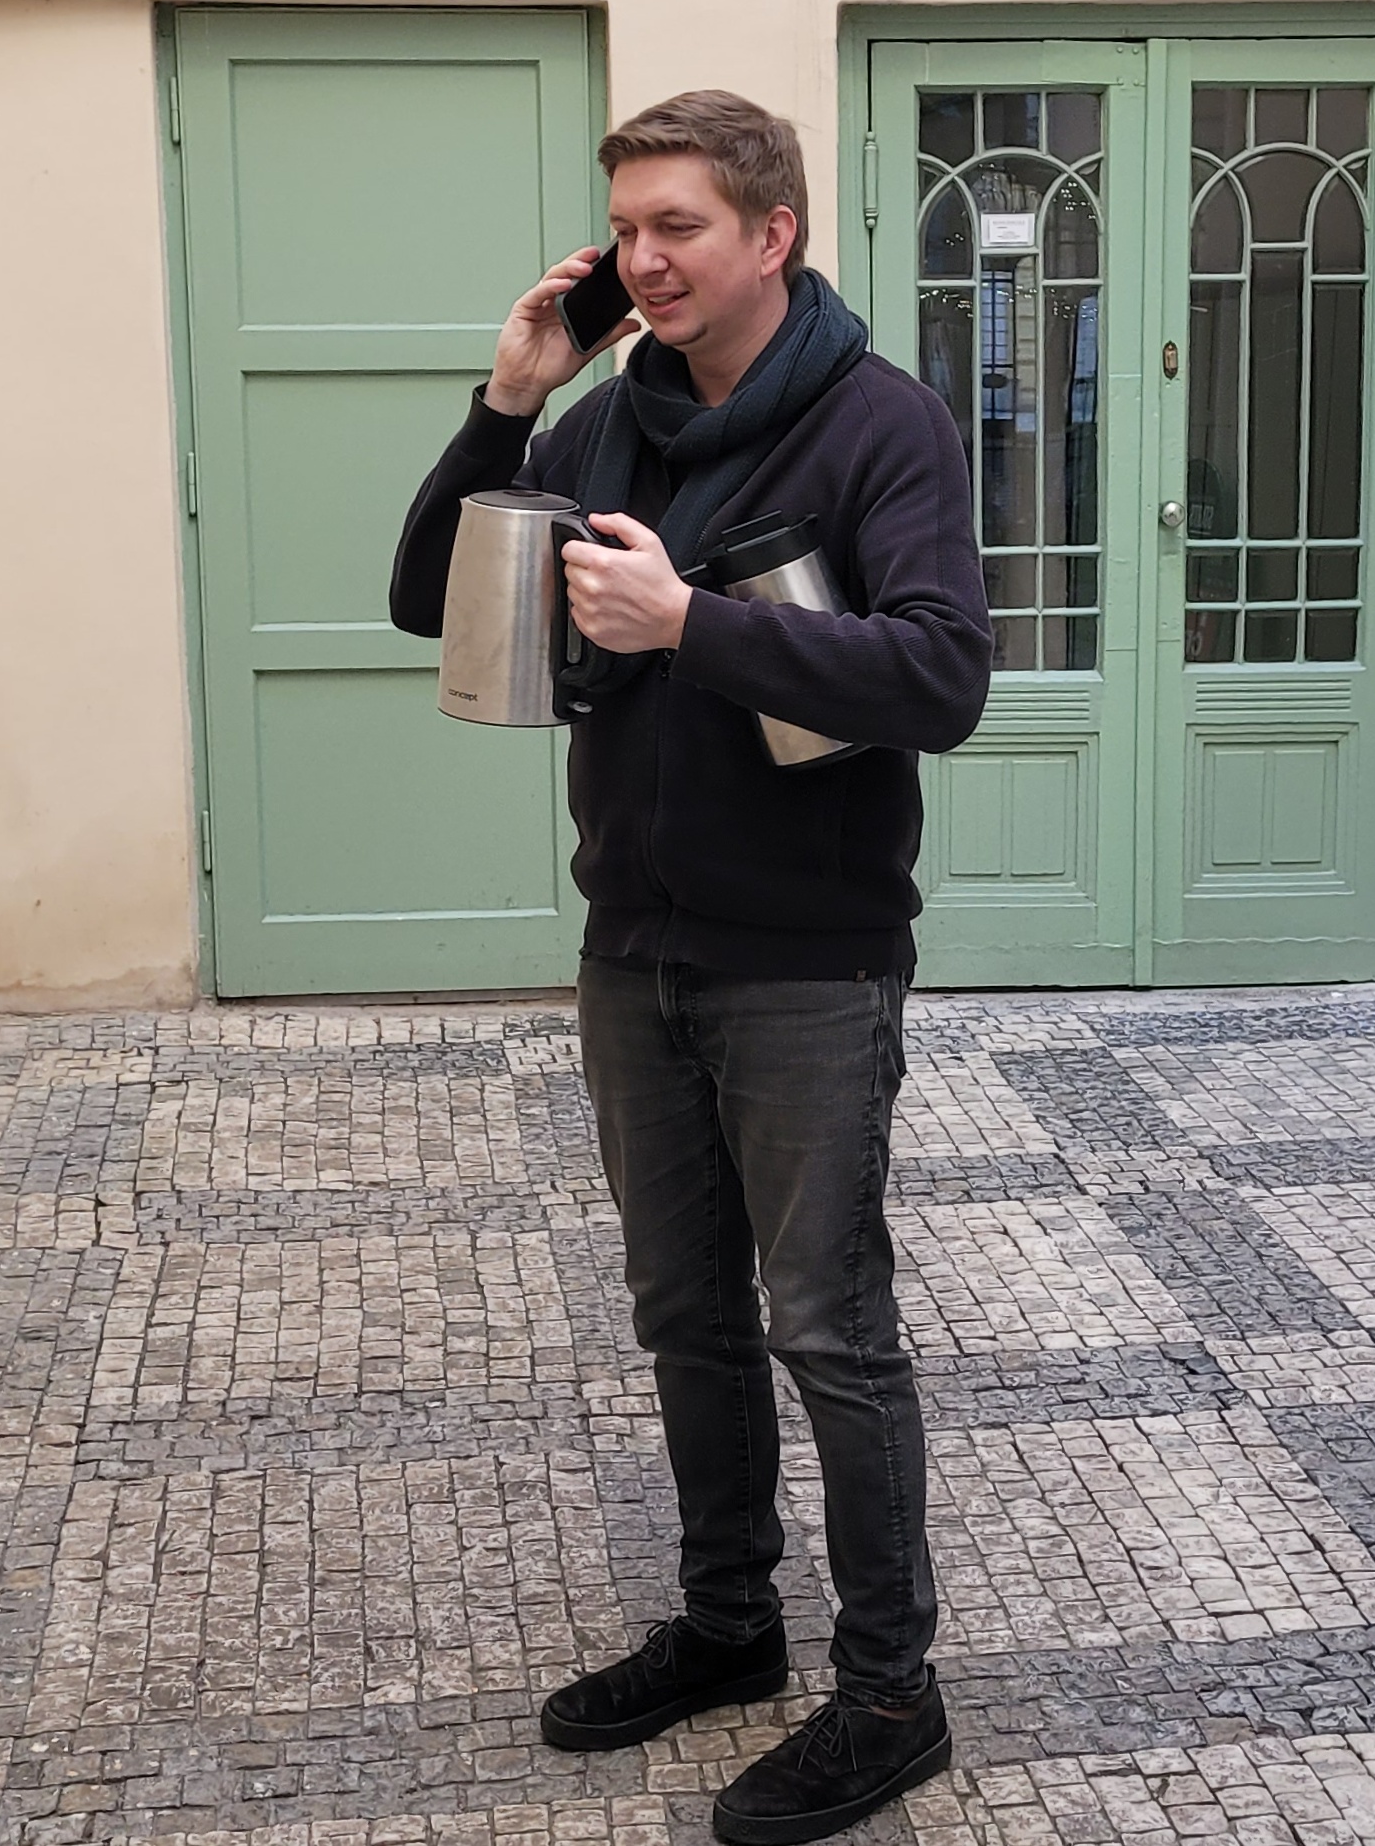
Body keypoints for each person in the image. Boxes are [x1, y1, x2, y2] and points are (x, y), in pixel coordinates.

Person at [387, 91, 991, 1844]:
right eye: (626, 231)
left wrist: (693, 626)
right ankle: (730, 1624)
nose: (641, 261)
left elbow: (942, 677)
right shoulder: (604, 423)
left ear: (770, 234)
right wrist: (508, 401)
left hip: (808, 962)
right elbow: (430, 598)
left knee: (829, 1328)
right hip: (632, 947)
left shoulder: (879, 424)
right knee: (684, 1316)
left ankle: (890, 1694)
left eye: (678, 227)